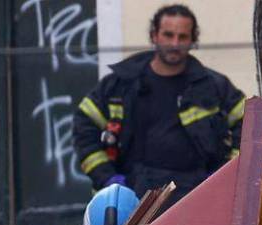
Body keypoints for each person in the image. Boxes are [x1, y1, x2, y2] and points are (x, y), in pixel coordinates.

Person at [73, 4, 246, 202]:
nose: (174, 43)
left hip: (196, 197)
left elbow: (248, 124)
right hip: (131, 197)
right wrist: (107, 178)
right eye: (168, 35)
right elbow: (84, 127)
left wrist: (223, 176)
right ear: (154, 35)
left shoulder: (213, 86)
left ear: (193, 39)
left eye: (182, 37)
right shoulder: (120, 85)